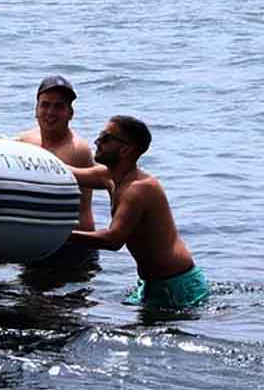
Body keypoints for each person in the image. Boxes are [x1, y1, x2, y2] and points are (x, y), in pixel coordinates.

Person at [63, 115, 207, 313]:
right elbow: (66, 172)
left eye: (106, 138)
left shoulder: (138, 189)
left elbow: (113, 240)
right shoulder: (109, 177)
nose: (97, 142)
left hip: (176, 286)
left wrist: (60, 234)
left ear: (126, 148)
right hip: (151, 284)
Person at [16, 73, 97, 230]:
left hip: (76, 241)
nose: (50, 112)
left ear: (70, 113)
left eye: (58, 106)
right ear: (36, 109)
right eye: (45, 105)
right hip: (40, 237)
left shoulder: (77, 150)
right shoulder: (24, 141)